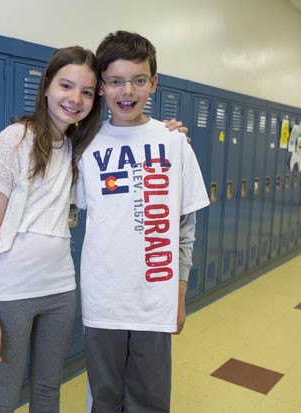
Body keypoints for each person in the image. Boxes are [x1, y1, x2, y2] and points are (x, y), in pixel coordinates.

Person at [0, 45, 188, 412]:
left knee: (47, 390)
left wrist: (167, 131)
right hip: (11, 291)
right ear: (46, 87)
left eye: (86, 91)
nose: (75, 99)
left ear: (96, 97)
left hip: (60, 289)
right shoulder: (14, 139)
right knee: (3, 397)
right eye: (66, 86)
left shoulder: (78, 145)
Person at [74, 31, 210, 412]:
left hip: (155, 301)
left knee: (149, 401)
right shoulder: (85, 144)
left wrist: (179, 296)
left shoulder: (173, 143)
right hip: (103, 300)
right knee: (104, 399)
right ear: (101, 86)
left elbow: (185, 229)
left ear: (153, 82)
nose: (126, 91)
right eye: (115, 81)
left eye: (137, 80)